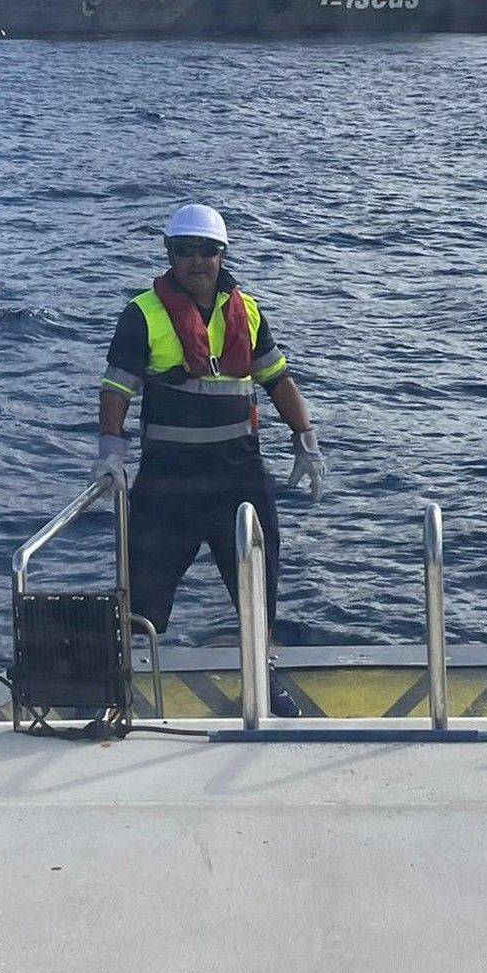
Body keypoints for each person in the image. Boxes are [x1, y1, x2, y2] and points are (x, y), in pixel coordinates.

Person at [94, 202, 325, 718]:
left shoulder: (249, 311)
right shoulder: (141, 314)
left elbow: (277, 378)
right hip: (167, 482)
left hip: (238, 476)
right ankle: (119, 679)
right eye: (185, 251)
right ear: (169, 255)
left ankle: (262, 675)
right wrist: (110, 450)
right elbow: (116, 388)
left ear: (222, 255)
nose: (196, 260)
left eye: (207, 251)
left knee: (257, 581)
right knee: (141, 590)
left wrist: (305, 436)